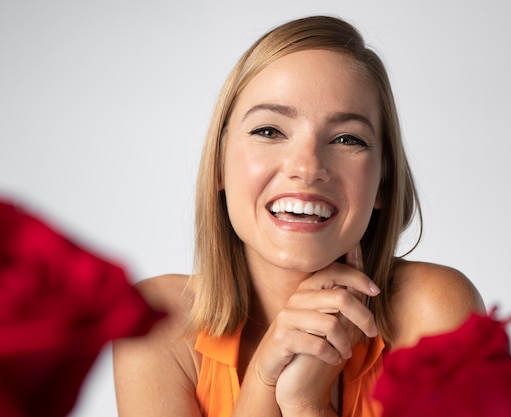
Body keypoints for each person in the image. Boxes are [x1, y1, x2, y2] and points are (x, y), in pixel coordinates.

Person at [113, 15, 485, 417]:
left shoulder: (434, 310)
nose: (307, 167)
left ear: (382, 182)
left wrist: (305, 403)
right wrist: (263, 384)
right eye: (269, 131)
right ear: (219, 166)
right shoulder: (155, 324)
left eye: (347, 139)